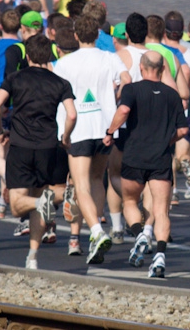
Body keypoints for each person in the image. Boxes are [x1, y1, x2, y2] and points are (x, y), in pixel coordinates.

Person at [0, 33, 76, 269]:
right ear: (48, 54)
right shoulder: (60, 82)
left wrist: (0, 130)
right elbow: (71, 114)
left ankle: (42, 205)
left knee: (19, 205)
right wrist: (66, 137)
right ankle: (32, 255)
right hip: (49, 146)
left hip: (21, 147)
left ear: (27, 56)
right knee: (43, 199)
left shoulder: (15, 78)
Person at [52, 15, 131, 264]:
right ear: (98, 35)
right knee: (98, 179)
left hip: (78, 128)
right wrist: (116, 94)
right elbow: (127, 78)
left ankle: (96, 232)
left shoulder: (64, 63)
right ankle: (95, 232)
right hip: (104, 127)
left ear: (75, 36)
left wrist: (62, 133)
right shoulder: (109, 57)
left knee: (81, 184)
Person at [104, 50, 185, 279]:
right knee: (161, 210)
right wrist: (166, 141)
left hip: (134, 156)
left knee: (129, 200)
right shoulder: (172, 94)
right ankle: (159, 256)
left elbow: (124, 110)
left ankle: (139, 234)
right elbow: (183, 130)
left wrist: (110, 131)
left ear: (141, 67)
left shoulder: (132, 89)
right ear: (162, 69)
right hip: (160, 158)